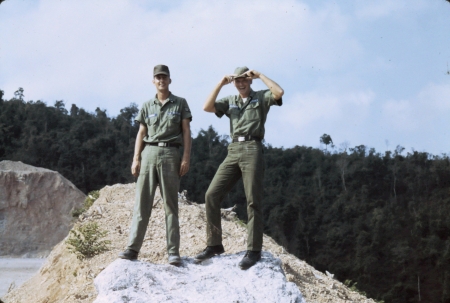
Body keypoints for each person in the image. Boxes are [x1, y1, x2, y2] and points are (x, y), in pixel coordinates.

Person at [195, 66, 284, 269]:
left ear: (250, 80)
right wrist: (220, 83)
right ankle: (214, 244)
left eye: (244, 79)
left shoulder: (261, 97)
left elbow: (279, 93)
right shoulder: (230, 101)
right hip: (233, 148)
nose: (241, 83)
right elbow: (207, 107)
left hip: (253, 147)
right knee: (211, 195)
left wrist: (261, 75)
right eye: (237, 81)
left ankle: (253, 250)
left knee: (253, 200)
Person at [119, 64, 192, 265]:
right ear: (153, 81)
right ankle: (132, 249)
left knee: (171, 204)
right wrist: (136, 158)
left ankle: (173, 252)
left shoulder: (180, 103)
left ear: (170, 80)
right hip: (149, 152)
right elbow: (141, 133)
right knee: (142, 203)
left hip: (171, 153)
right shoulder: (146, 105)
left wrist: (185, 158)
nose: (161, 80)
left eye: (164, 77)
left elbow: (186, 131)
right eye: (158, 78)